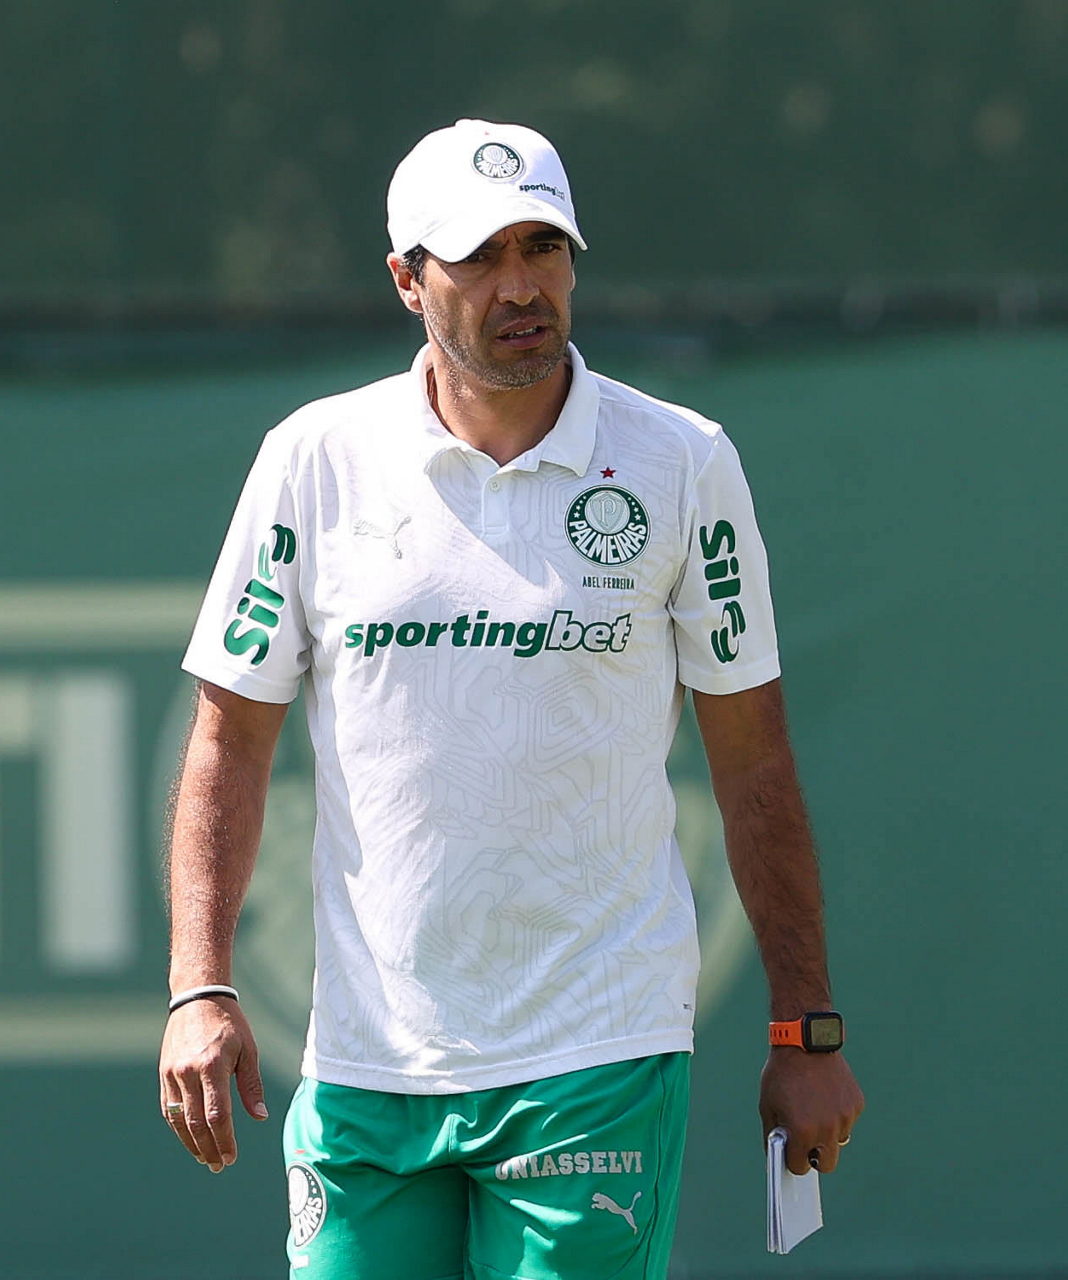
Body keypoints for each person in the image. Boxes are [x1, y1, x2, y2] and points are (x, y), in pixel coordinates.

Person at [159, 118, 864, 1280]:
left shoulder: (682, 462)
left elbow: (753, 759)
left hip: (596, 1055)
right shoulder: (312, 458)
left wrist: (803, 1028)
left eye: (543, 247)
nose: (521, 285)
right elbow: (228, 735)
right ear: (406, 280)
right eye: (479, 257)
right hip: (366, 1069)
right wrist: (200, 984)